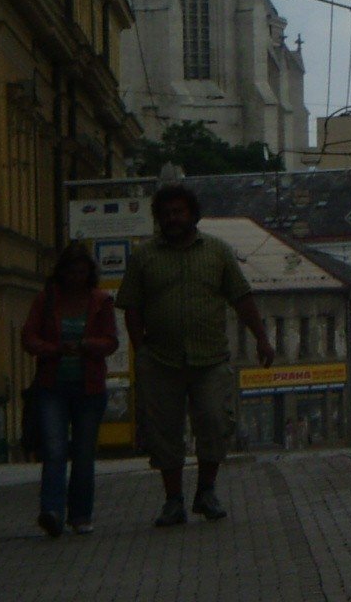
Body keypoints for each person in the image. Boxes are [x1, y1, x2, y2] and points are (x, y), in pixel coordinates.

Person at [116, 185, 272, 528]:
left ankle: (206, 491)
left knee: (214, 421)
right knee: (165, 432)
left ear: (192, 215)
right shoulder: (144, 257)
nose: (173, 218)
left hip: (210, 358)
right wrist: (139, 349)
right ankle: (173, 501)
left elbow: (241, 298)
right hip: (160, 359)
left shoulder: (217, 252)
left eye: (179, 212)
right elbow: (131, 305)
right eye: (166, 213)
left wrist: (261, 338)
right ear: (159, 218)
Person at [21, 241, 118, 537]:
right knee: (54, 449)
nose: (76, 277)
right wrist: (54, 350)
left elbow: (111, 341)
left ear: (89, 273)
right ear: (61, 273)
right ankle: (51, 510)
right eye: (71, 271)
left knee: (84, 453)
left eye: (81, 271)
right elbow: (29, 337)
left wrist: (87, 345)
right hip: (53, 386)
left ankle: (80, 514)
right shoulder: (46, 300)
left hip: (89, 387)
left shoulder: (101, 301)